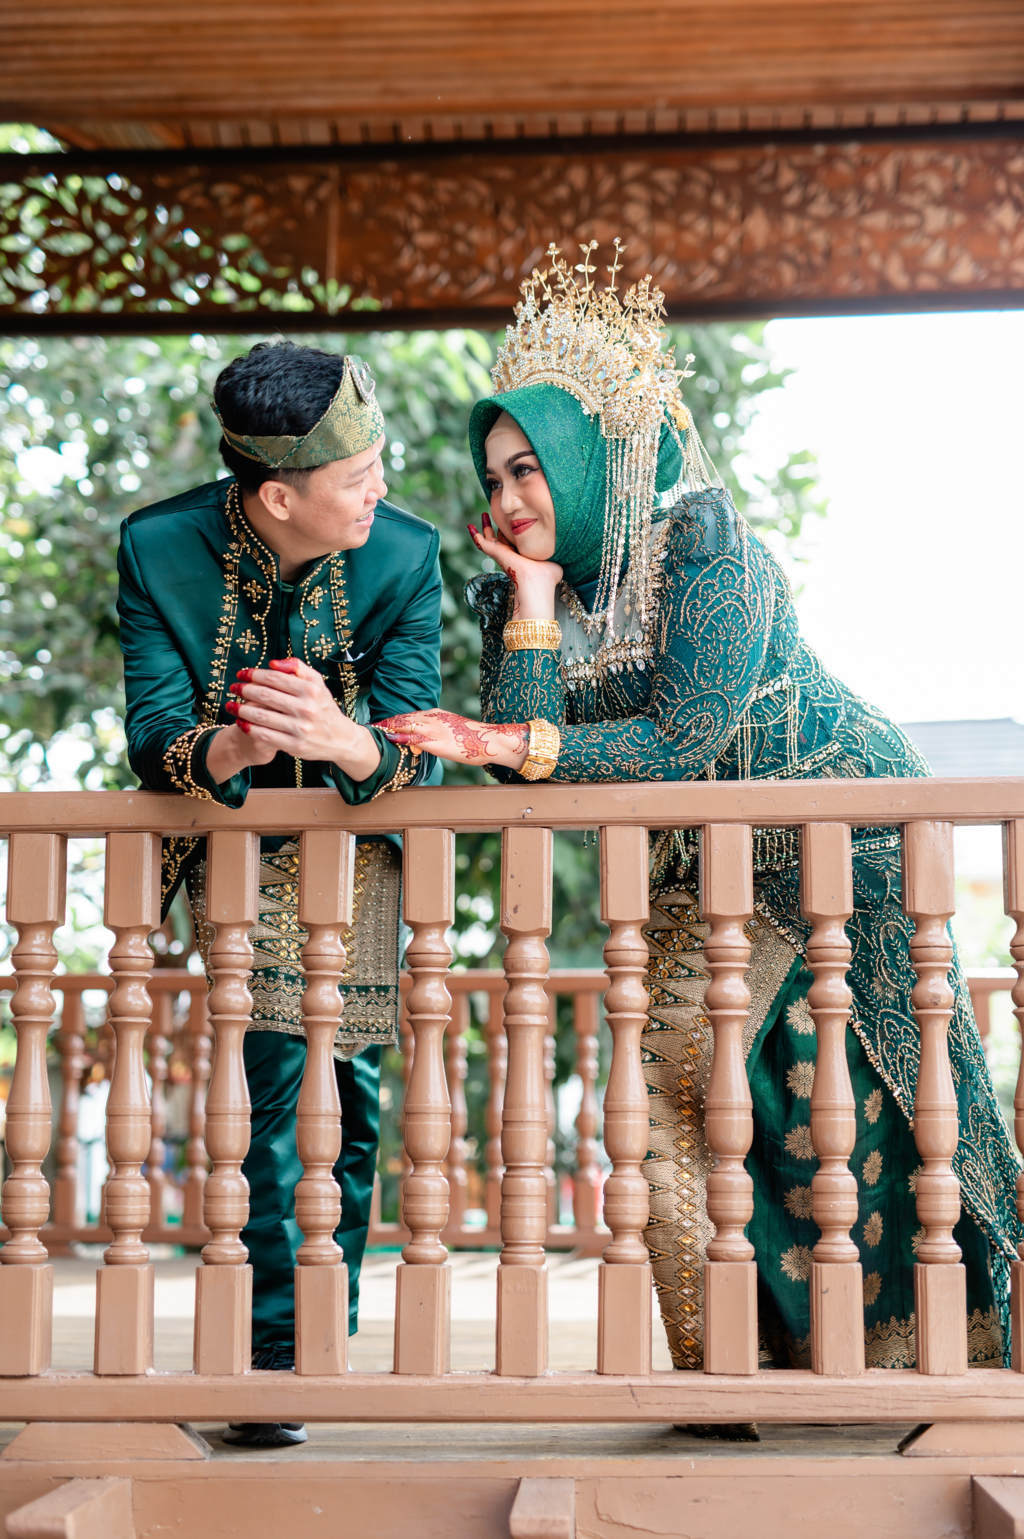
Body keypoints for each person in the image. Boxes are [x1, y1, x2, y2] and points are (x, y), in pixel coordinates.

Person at [378, 242, 1021, 1417]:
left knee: (849, 1098)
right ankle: (735, 1373)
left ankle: (939, 1359)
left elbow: (678, 738)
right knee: (696, 1105)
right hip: (706, 865)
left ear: (592, 458)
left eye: (530, 469)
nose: (508, 501)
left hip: (840, 841)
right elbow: (528, 758)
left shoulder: (709, 553)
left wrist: (500, 742)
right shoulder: (527, 592)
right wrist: (531, 606)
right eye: (495, 477)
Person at [117, 341, 442, 1447]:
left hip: (358, 855)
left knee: (347, 1107)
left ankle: (312, 1343)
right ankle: (272, 1359)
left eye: (378, 463)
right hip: (235, 856)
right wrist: (236, 746)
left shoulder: (405, 554)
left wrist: (346, 739)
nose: (380, 489)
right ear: (277, 496)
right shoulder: (158, 546)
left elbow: (413, 741)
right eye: (357, 477)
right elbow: (154, 733)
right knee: (269, 1096)